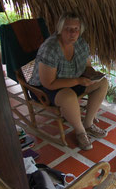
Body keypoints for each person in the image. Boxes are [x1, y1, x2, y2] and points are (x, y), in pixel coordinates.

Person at [29, 13, 109, 150]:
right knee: (69, 96)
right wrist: (78, 80)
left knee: (103, 83)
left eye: (76, 29)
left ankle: (88, 124)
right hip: (44, 88)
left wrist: (92, 75)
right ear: (60, 29)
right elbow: (49, 83)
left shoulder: (81, 44)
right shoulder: (51, 48)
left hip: (73, 80)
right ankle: (80, 131)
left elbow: (87, 66)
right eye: (68, 28)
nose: (72, 33)